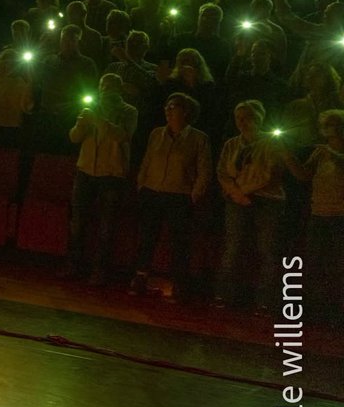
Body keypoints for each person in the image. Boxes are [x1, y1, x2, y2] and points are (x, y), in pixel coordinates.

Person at [130, 92, 212, 301]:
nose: (167, 110)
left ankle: (179, 284)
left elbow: (204, 169)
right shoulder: (157, 133)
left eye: (173, 106)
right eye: (167, 106)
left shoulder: (198, 138)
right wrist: (142, 183)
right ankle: (141, 277)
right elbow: (147, 159)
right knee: (147, 237)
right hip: (153, 191)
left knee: (179, 241)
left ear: (186, 112)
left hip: (179, 195)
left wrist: (195, 193)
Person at [215, 101, 292, 312]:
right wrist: (236, 193)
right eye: (238, 118)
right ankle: (225, 294)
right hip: (237, 198)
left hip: (267, 200)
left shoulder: (271, 143)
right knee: (233, 246)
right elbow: (222, 172)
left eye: (247, 118)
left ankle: (265, 299)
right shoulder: (232, 144)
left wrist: (243, 191)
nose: (242, 123)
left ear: (259, 119)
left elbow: (268, 174)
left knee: (267, 248)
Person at [61, 74, 137, 285]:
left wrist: (97, 119)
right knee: (77, 221)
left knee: (106, 225)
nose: (105, 90)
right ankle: (73, 264)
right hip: (86, 170)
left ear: (119, 89)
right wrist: (81, 124)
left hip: (111, 174)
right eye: (103, 85)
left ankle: (100, 270)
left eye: (110, 86)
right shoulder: (91, 109)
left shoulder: (128, 111)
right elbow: (74, 137)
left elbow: (122, 136)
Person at [285, 110, 344, 325]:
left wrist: (334, 154)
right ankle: (317, 310)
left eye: (329, 124)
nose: (325, 128)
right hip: (318, 213)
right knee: (316, 262)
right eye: (323, 124)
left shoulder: (329, 152)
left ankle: (337, 311)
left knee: (338, 264)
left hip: (340, 216)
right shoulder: (320, 152)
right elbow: (304, 175)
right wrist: (287, 155)